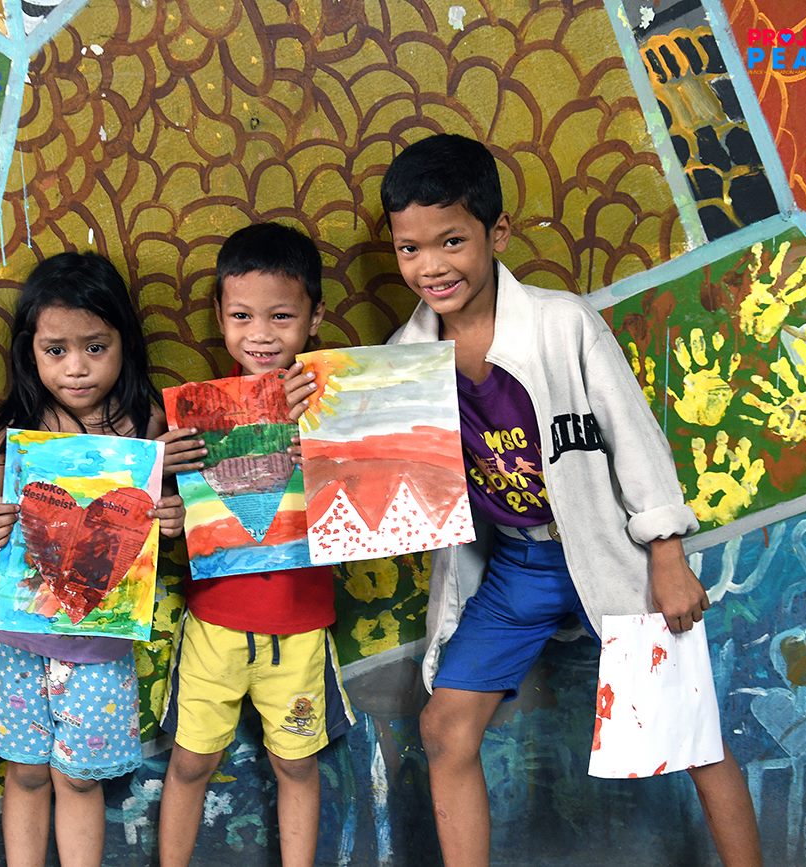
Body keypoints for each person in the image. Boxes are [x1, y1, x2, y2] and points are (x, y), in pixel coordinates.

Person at [287, 134, 762, 865]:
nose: (431, 266)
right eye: (410, 249)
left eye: (451, 240)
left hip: (614, 554)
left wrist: (667, 556)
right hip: (520, 567)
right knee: (444, 727)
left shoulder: (561, 323)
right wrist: (315, 419)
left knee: (693, 734)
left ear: (497, 232)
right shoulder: (403, 360)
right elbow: (377, 486)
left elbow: (635, 440)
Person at [0, 251, 184, 867]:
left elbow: (154, 526)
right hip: (19, 637)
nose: (76, 368)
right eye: (56, 350)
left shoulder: (147, 427)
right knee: (26, 772)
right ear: (30, 352)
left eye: (95, 347)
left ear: (124, 343)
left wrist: (173, 519)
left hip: (99, 642)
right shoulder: (11, 434)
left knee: (80, 779)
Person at [157, 223, 355, 867]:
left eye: (281, 316)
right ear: (219, 317)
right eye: (242, 316)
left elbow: (369, 501)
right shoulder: (196, 416)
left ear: (314, 317)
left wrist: (325, 449)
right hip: (214, 622)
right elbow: (164, 511)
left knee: (296, 764)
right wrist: (161, 476)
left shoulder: (335, 407)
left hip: (299, 625)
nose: (261, 334)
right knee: (191, 762)